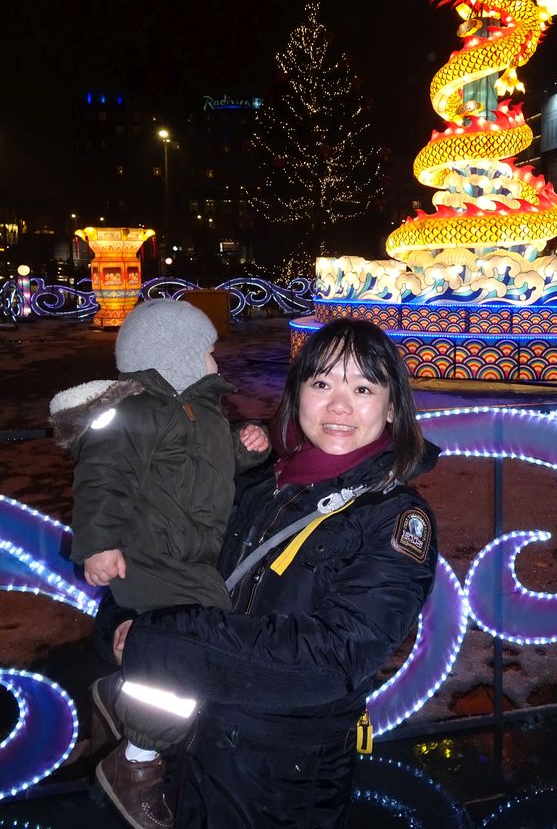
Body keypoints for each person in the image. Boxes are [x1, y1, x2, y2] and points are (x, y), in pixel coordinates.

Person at [94, 317, 439, 829]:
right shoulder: (257, 478)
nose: (339, 406)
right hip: (189, 740)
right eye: (321, 383)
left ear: (392, 407)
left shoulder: (393, 519)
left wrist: (157, 644)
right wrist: (119, 624)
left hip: (281, 774)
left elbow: (332, 657)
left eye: (363, 387)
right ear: (297, 393)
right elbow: (166, 556)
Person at [50, 297, 270, 829]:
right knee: (184, 659)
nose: (217, 362)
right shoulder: (135, 413)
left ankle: (131, 693)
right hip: (148, 558)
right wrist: (97, 544)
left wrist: (248, 449)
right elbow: (102, 478)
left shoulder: (204, 413)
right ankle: (137, 765)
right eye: (209, 352)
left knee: (191, 647)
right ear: (175, 357)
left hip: (190, 559)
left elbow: (214, 464)